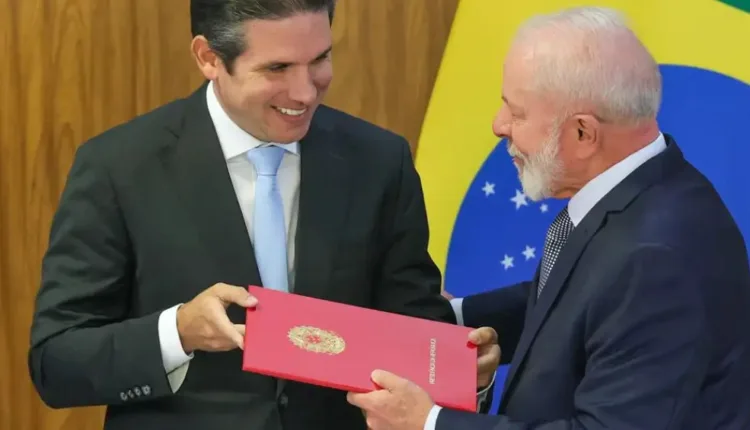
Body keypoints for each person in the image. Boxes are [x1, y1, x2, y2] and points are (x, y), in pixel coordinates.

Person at [27, 1, 500, 429]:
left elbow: (415, 329)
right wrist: (178, 332)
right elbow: (56, 361)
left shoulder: (379, 162)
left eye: (320, 60)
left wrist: (465, 375)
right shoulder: (118, 168)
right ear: (209, 58)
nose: (306, 92)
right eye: (278, 68)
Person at [346, 6, 750, 430]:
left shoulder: (656, 260)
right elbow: (579, 298)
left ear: (582, 133)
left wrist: (427, 422)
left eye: (517, 113)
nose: (498, 125)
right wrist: (451, 320)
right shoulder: (649, 189)